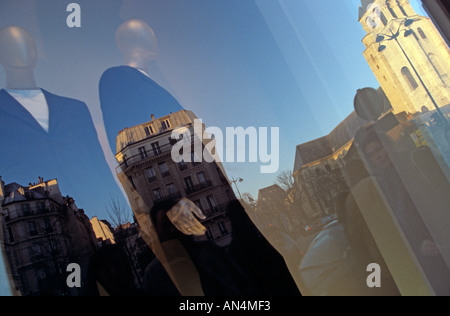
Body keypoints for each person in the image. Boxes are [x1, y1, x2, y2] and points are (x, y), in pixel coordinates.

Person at [0, 26, 125, 217]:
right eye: (10, 46)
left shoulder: (75, 109)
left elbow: (102, 172)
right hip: (55, 232)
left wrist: (130, 215)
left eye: (26, 45)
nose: (20, 51)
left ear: (34, 52)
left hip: (106, 216)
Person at [99, 19, 183, 153]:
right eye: (149, 35)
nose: (156, 41)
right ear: (132, 42)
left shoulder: (156, 82)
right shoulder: (116, 78)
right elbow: (123, 140)